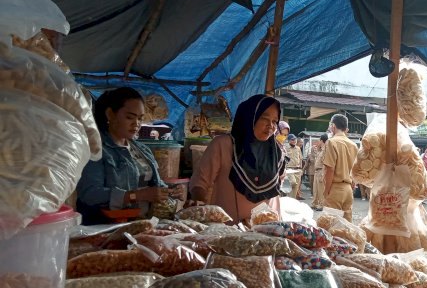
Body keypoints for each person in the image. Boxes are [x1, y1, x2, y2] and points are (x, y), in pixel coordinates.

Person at [77, 87, 169, 225]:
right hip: (106, 227)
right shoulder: (96, 148)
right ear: (110, 114)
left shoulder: (142, 150)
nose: (136, 124)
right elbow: (90, 194)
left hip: (142, 225)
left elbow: (154, 185)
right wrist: (136, 196)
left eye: (140, 118)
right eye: (130, 117)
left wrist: (168, 191)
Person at [189, 94, 285, 222]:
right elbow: (200, 183)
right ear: (250, 117)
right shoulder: (223, 145)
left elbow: (278, 187)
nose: (271, 126)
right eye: (264, 118)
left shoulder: (277, 152)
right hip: (228, 231)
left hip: (268, 230)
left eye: (274, 121)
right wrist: (198, 204)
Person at [323, 114, 358, 221]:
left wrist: (326, 190)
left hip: (335, 188)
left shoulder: (332, 142)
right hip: (348, 189)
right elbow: (356, 170)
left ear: (333, 126)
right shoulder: (353, 145)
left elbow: (330, 169)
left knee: (331, 225)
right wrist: (352, 185)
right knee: (346, 228)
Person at [309, 134, 327, 210]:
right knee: (315, 189)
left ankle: (321, 204)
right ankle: (314, 203)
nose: (318, 142)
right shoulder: (320, 150)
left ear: (322, 141)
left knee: (320, 189)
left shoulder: (325, 150)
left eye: (319, 140)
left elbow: (325, 163)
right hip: (316, 171)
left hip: (321, 171)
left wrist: (323, 174)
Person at [285, 134, 304, 200]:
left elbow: (300, 159)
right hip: (289, 169)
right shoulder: (285, 148)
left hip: (297, 170)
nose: (294, 141)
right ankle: (287, 196)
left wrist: (301, 169)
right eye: (292, 140)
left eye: (295, 139)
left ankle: (291, 201)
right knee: (293, 182)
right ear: (289, 141)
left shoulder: (298, 148)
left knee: (296, 188)